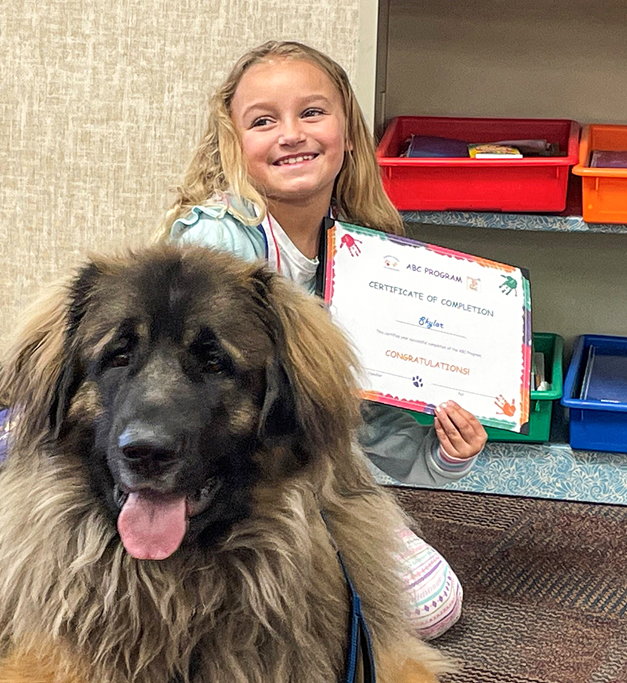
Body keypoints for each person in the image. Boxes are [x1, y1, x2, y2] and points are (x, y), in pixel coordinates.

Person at [156, 40, 487, 640]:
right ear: (233, 145)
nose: (291, 134)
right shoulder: (219, 244)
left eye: (312, 112)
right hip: (231, 478)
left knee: (434, 602)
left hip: (327, 477)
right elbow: (193, 399)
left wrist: (446, 450)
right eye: (263, 120)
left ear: (349, 133)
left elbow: (366, 419)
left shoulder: (364, 255)